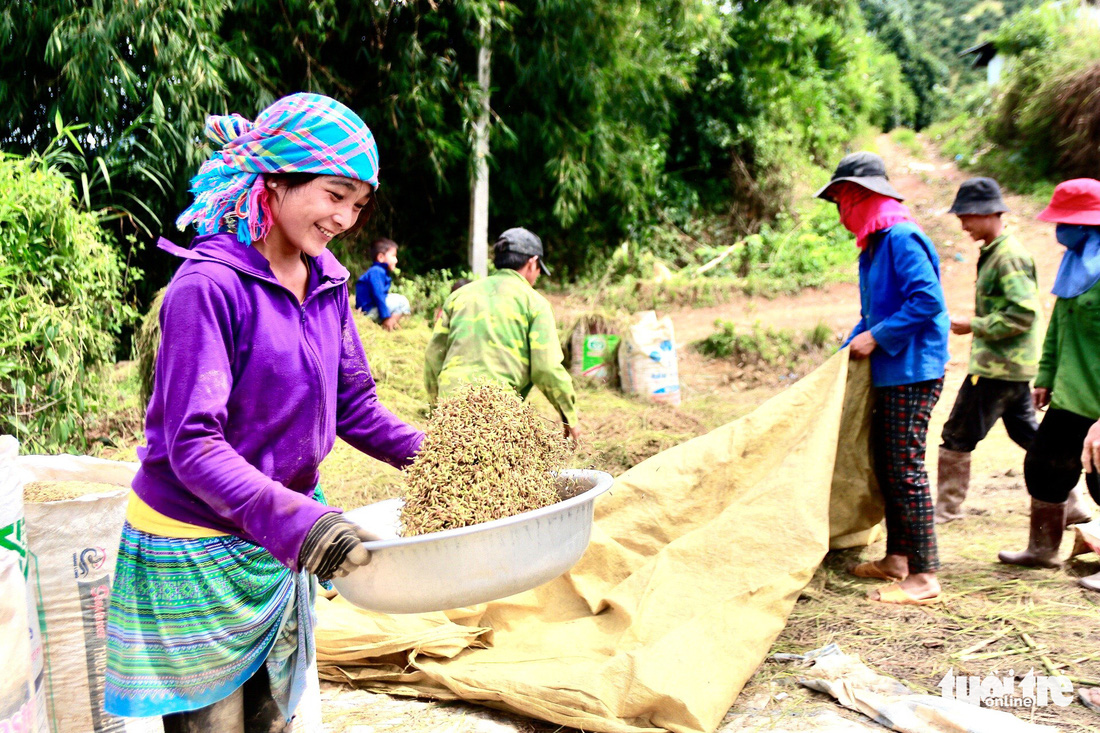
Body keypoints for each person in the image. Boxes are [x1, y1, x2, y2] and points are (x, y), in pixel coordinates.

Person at [103, 93, 424, 732]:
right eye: (334, 195)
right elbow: (192, 444)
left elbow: (354, 407)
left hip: (277, 545)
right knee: (214, 727)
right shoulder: (209, 286)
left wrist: (448, 459)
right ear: (274, 181)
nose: (345, 218)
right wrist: (304, 525)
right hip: (194, 549)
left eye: (358, 205)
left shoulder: (328, 281)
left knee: (273, 721)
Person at [817, 151, 950, 605]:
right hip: (892, 372)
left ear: (862, 197)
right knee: (890, 466)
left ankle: (925, 574)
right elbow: (870, 315)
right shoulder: (874, 246)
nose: (840, 214)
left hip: (914, 371)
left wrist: (878, 337)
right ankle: (897, 559)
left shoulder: (901, 237)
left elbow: (927, 301)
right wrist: (840, 356)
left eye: (841, 202)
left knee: (906, 470)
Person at [999, 178, 1100, 592]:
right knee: (1043, 464)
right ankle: (1043, 549)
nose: (1060, 229)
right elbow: (1058, 326)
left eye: (1068, 221)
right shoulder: (1075, 264)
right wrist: (1045, 377)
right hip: (1072, 391)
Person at [935, 178, 1045, 523]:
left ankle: (946, 509)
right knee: (1032, 436)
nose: (963, 225)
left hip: (997, 367)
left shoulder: (1007, 257)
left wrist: (975, 325)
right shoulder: (997, 252)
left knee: (957, 434)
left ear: (988, 213)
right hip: (1010, 367)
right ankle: (1071, 502)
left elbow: (1024, 313)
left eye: (967, 216)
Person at [424, 228, 580, 442]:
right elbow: (546, 368)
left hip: (451, 407)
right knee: (494, 472)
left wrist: (437, 408)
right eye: (538, 269)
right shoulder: (534, 303)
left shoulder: (459, 296)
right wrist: (569, 415)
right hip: (498, 411)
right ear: (532, 262)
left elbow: (434, 357)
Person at [355, 237, 411, 330]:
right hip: (369, 311)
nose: (396, 260)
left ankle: (387, 324)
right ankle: (388, 325)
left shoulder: (377, 271)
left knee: (396, 299)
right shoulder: (377, 272)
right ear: (381, 257)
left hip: (368, 310)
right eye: (393, 256)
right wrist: (385, 316)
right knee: (402, 302)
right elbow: (378, 295)